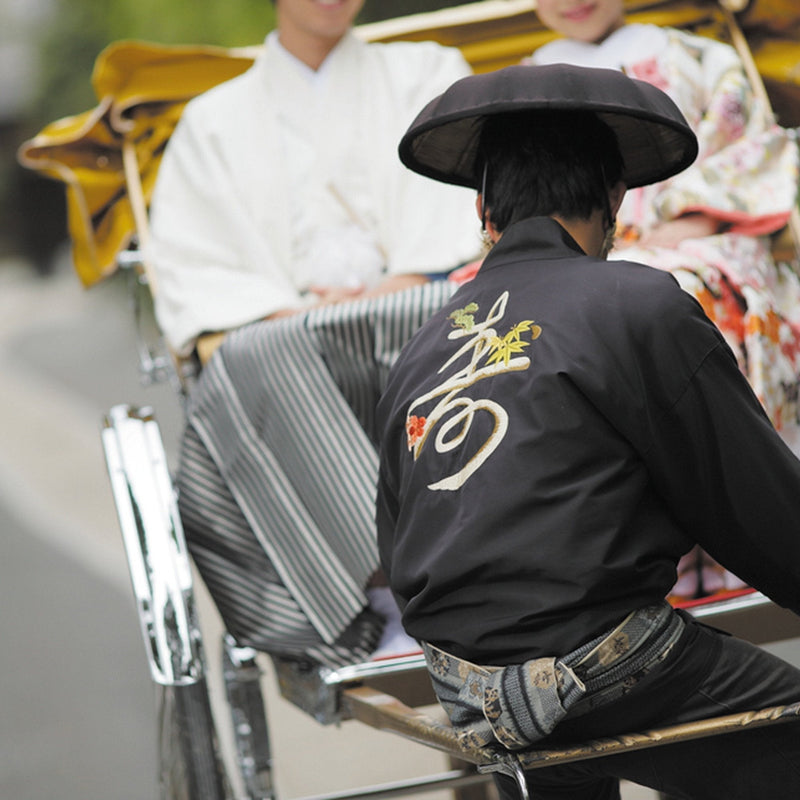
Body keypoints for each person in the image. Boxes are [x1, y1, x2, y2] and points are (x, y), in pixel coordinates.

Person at [376, 64, 800, 800]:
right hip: (601, 660)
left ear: (484, 211)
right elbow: (756, 509)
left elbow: (396, 533)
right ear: (615, 198)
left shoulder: (421, 343)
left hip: (465, 681)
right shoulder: (638, 301)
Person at [146, 0, 481, 667]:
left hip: (421, 295)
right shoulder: (212, 121)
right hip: (285, 328)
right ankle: (379, 595)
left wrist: (404, 278)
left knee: (473, 322)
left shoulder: (428, 72)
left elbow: (466, 203)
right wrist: (283, 314)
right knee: (257, 356)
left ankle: (480, 576)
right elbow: (199, 264)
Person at [527, 0, 800, 600]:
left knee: (667, 294)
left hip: (701, 242)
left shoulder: (701, 57)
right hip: (571, 258)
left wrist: (694, 223)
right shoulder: (526, 80)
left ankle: (735, 545)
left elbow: (751, 153)